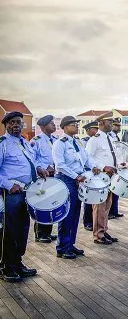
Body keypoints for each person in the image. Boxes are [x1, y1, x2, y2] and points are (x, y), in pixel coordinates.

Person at [0, 112, 47, 282]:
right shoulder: (3, 144)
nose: (17, 125)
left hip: (27, 192)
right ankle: (6, 266)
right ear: (6, 125)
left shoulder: (25, 143)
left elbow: (32, 161)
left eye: (19, 123)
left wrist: (40, 168)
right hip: (11, 193)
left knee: (22, 229)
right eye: (12, 123)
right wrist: (8, 185)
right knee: (9, 230)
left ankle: (17, 263)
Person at [52, 116, 101, 259]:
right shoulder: (59, 143)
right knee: (66, 214)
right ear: (65, 127)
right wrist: (75, 176)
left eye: (76, 124)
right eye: (73, 125)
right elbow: (60, 165)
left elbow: (86, 158)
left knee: (75, 214)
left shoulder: (77, 142)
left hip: (78, 180)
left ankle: (70, 244)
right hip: (66, 179)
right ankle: (62, 247)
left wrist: (94, 166)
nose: (76, 127)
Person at [85, 112, 120, 245]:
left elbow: (113, 155)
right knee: (99, 206)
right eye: (109, 122)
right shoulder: (95, 139)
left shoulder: (109, 138)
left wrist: (118, 164)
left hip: (110, 177)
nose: (112, 124)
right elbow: (88, 158)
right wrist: (103, 166)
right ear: (101, 123)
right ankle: (98, 235)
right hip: (100, 177)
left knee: (107, 205)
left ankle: (104, 230)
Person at [30, 115, 57, 243]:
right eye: (51, 123)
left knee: (52, 204)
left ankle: (47, 232)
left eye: (53, 123)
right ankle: (39, 233)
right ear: (43, 126)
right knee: (42, 204)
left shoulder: (56, 140)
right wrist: (42, 167)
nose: (54, 125)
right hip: (43, 177)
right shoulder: (36, 141)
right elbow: (32, 159)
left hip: (54, 177)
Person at [81, 120, 99, 230]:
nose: (96, 130)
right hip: (88, 171)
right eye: (94, 129)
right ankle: (87, 222)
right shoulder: (84, 142)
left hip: (95, 170)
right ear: (88, 130)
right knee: (88, 198)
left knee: (95, 198)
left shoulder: (97, 140)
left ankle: (94, 221)